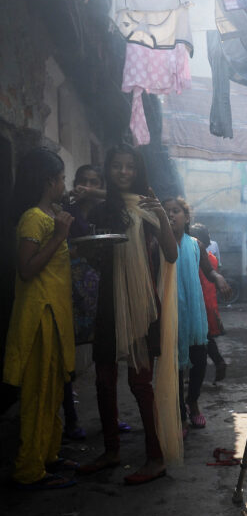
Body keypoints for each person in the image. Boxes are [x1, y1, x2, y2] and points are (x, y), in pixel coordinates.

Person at [79, 144, 178, 485]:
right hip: (109, 301)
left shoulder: (147, 208)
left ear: (138, 172)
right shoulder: (102, 211)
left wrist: (162, 215)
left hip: (142, 304)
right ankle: (111, 451)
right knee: (104, 380)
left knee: (140, 382)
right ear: (108, 170)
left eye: (129, 167)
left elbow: (171, 253)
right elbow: (94, 257)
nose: (123, 172)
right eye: (117, 166)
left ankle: (155, 457)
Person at [3, 148, 77, 489]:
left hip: (54, 315)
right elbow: (27, 268)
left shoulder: (53, 214)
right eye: (62, 178)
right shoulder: (34, 218)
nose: (65, 184)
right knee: (37, 393)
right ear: (50, 181)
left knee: (52, 391)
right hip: (38, 318)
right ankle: (29, 469)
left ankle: (47, 455)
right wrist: (60, 237)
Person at [61, 164, 105, 440]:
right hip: (70, 284)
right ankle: (71, 421)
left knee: (103, 354)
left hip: (98, 286)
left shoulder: (105, 207)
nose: (87, 186)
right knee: (66, 357)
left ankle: (107, 420)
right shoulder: (68, 206)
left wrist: (94, 192)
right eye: (83, 181)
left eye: (93, 181)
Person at [162, 197, 213, 432]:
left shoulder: (195, 244)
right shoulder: (157, 243)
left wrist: (219, 278)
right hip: (168, 310)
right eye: (166, 211)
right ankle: (179, 413)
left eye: (176, 211)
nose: (171, 215)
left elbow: (208, 270)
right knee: (173, 366)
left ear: (186, 217)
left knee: (199, 361)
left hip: (193, 313)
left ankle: (192, 402)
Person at [190, 223, 231, 383]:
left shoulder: (194, 258)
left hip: (199, 304)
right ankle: (217, 362)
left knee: (201, 339)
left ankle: (215, 363)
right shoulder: (212, 259)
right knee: (205, 338)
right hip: (210, 301)